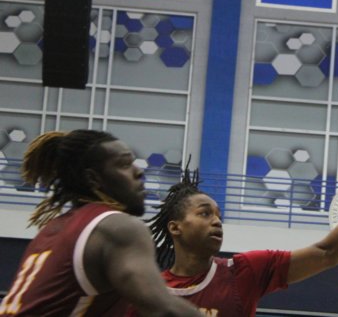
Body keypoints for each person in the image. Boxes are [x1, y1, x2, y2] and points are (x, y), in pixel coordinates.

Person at [125, 157, 338, 316]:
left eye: (219, 215)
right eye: (204, 213)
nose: (216, 221)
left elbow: (328, 253)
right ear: (175, 227)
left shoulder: (243, 272)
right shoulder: (147, 293)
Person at [0, 130, 201, 317]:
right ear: (93, 179)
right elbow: (161, 308)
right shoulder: (116, 227)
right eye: (124, 164)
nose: (138, 172)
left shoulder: (51, 230)